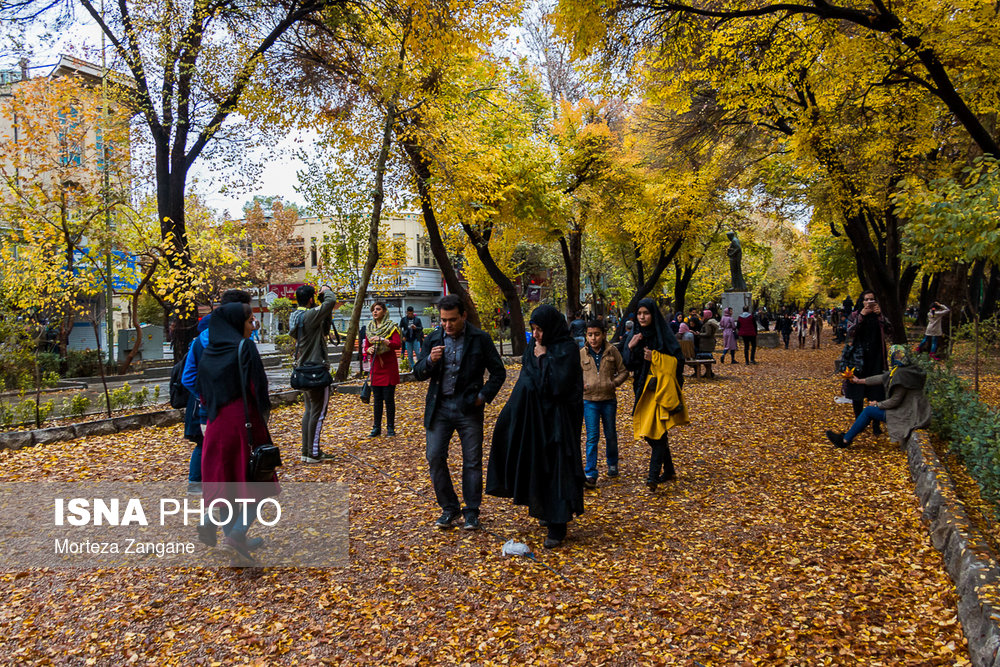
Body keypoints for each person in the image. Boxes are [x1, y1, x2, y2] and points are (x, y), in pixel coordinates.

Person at [487, 305, 585, 548]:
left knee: (557, 469)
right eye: (534, 329)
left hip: (558, 424)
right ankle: (544, 510)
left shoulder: (567, 349)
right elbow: (527, 379)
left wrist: (544, 359)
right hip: (534, 419)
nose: (537, 335)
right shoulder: (534, 347)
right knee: (538, 465)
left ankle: (557, 524)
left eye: (540, 329)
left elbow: (559, 386)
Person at [414, 294, 506, 531]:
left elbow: (498, 372)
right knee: (434, 457)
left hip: (468, 408)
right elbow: (418, 372)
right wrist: (429, 362)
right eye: (443, 320)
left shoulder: (480, 339)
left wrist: (482, 397)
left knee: (472, 462)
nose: (447, 325)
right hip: (439, 407)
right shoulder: (433, 338)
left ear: (463, 316)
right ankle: (449, 508)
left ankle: (472, 511)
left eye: (452, 319)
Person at [197, 302, 277, 565]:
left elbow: (201, 392)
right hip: (243, 422)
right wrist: (262, 418)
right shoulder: (245, 348)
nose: (252, 323)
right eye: (249, 319)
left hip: (215, 426)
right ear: (235, 322)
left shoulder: (210, 352)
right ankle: (238, 533)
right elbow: (258, 387)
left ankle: (235, 544)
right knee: (260, 483)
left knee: (226, 486)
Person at [181, 289, 253, 494]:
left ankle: (204, 487)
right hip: (228, 408)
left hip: (207, 405)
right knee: (218, 447)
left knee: (207, 444)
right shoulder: (239, 344)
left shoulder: (201, 338)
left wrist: (205, 395)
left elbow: (188, 377)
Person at [624, 298, 688, 491]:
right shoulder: (636, 334)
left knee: (657, 432)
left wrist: (657, 358)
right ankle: (668, 469)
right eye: (640, 314)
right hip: (642, 388)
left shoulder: (664, 334)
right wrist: (630, 346)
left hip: (659, 390)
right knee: (650, 434)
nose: (642, 317)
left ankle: (652, 478)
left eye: (646, 313)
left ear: (653, 314)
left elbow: (679, 361)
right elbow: (628, 364)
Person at [826, 345, 931, 448]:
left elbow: (895, 401)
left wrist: (878, 404)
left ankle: (844, 440)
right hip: (912, 411)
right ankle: (846, 438)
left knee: (869, 411)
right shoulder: (907, 369)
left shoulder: (902, 375)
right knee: (870, 410)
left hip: (907, 414)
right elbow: (882, 378)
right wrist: (859, 381)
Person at [289, 284, 337, 462]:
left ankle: (306, 451)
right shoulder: (309, 315)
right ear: (311, 299)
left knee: (309, 412)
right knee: (318, 413)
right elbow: (331, 301)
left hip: (304, 370)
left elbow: (323, 330)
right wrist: (326, 290)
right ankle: (314, 453)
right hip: (316, 370)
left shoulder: (295, 316)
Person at [579, 321, 629, 488]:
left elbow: (623, 371)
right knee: (592, 437)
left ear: (603, 334)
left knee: (610, 434)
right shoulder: (582, 354)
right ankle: (590, 472)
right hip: (589, 401)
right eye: (590, 334)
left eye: (597, 334)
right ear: (586, 335)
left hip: (608, 400)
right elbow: (574, 375)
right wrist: (582, 386)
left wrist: (613, 383)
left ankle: (612, 463)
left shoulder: (612, 351)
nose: (593, 338)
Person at [844, 290, 893, 434]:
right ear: (862, 301)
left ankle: (876, 425)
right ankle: (859, 422)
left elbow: (890, 332)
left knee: (877, 392)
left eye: (872, 299)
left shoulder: (879, 316)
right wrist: (862, 316)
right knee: (857, 392)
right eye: (867, 300)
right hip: (858, 359)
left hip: (876, 358)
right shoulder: (855, 315)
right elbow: (850, 334)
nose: (870, 302)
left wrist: (880, 315)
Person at [364, 302, 401, 437]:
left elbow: (397, 344)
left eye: (378, 309)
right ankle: (376, 427)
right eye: (373, 309)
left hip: (389, 366)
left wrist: (383, 340)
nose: (375, 311)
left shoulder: (392, 327)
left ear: (384, 312)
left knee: (389, 399)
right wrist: (368, 349)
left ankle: (390, 428)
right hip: (376, 367)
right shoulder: (369, 327)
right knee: (377, 399)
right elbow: (366, 347)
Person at [696, 308, 719, 373]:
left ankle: (709, 372)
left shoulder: (708, 324)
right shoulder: (708, 323)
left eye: (702, 316)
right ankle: (708, 372)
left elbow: (708, 333)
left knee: (706, 358)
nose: (702, 318)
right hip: (707, 343)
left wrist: (699, 334)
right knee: (706, 358)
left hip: (707, 344)